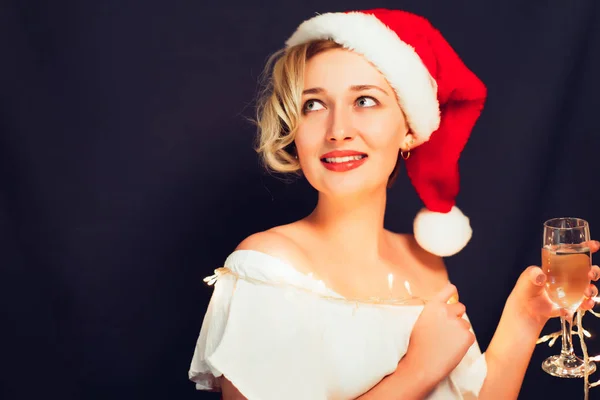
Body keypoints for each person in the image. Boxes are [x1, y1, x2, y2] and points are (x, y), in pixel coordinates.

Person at [188, 9, 600, 400]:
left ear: (409, 128)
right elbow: (424, 373)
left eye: (364, 100)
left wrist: (525, 317)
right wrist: (416, 370)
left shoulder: (424, 261)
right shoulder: (267, 266)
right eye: (313, 104)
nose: (338, 130)